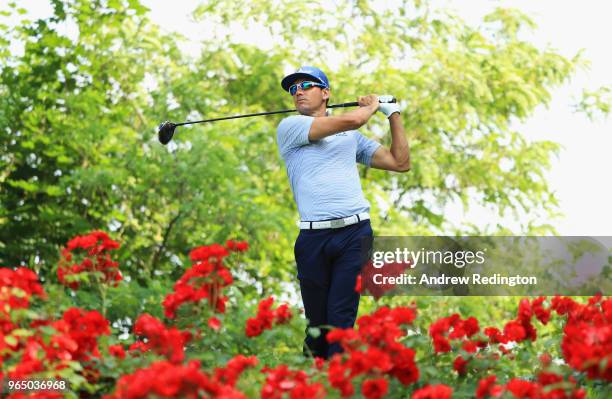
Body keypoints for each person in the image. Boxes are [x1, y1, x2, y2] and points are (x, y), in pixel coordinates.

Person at [276, 66, 410, 359]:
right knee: (317, 328)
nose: (298, 91)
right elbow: (354, 119)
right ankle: (311, 384)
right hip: (313, 239)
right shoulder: (290, 127)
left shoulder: (351, 140)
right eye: (293, 89)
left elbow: (400, 163)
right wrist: (373, 105)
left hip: (354, 234)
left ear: (325, 93)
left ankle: (338, 384)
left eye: (306, 85)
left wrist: (393, 114)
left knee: (341, 323)